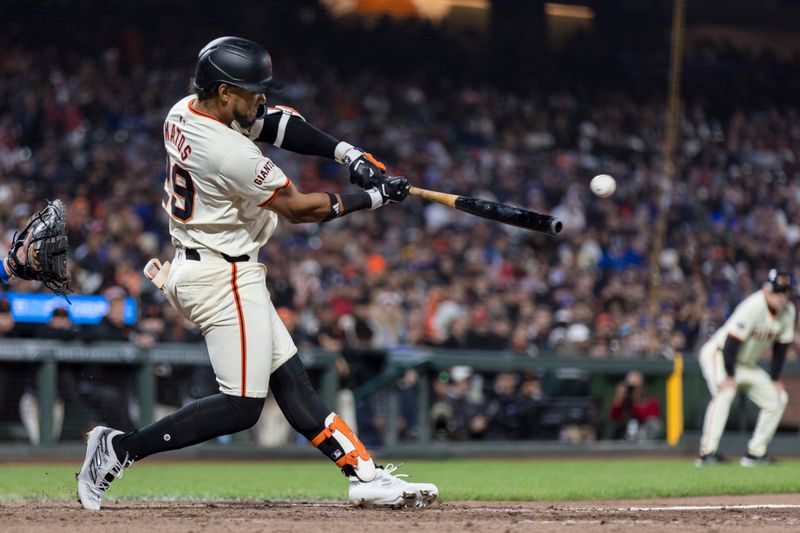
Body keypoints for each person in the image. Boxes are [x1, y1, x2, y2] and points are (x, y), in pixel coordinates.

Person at [76, 36, 437, 511]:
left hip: (213, 266)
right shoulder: (228, 152)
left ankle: (363, 474)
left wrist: (347, 155)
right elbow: (301, 210)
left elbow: (278, 123)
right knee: (243, 406)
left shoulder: (185, 109)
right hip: (221, 277)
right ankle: (118, 449)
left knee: (291, 381)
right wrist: (374, 197)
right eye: (251, 91)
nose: (260, 99)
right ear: (225, 93)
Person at [695, 267, 794, 467]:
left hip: (746, 364)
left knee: (778, 398)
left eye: (784, 292)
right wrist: (729, 375)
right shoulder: (753, 306)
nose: (781, 297)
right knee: (725, 392)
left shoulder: (789, 312)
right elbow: (732, 342)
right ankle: (707, 452)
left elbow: (781, 348)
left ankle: (755, 453)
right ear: (766, 289)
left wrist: (774, 379)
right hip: (720, 354)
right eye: (777, 291)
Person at [608, 370, 662, 441]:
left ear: (643, 387)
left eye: (636, 387)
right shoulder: (624, 401)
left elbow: (648, 419)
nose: (632, 390)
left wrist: (635, 401)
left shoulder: (652, 401)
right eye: (630, 387)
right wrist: (619, 398)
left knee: (654, 425)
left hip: (644, 439)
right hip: (624, 437)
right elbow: (613, 417)